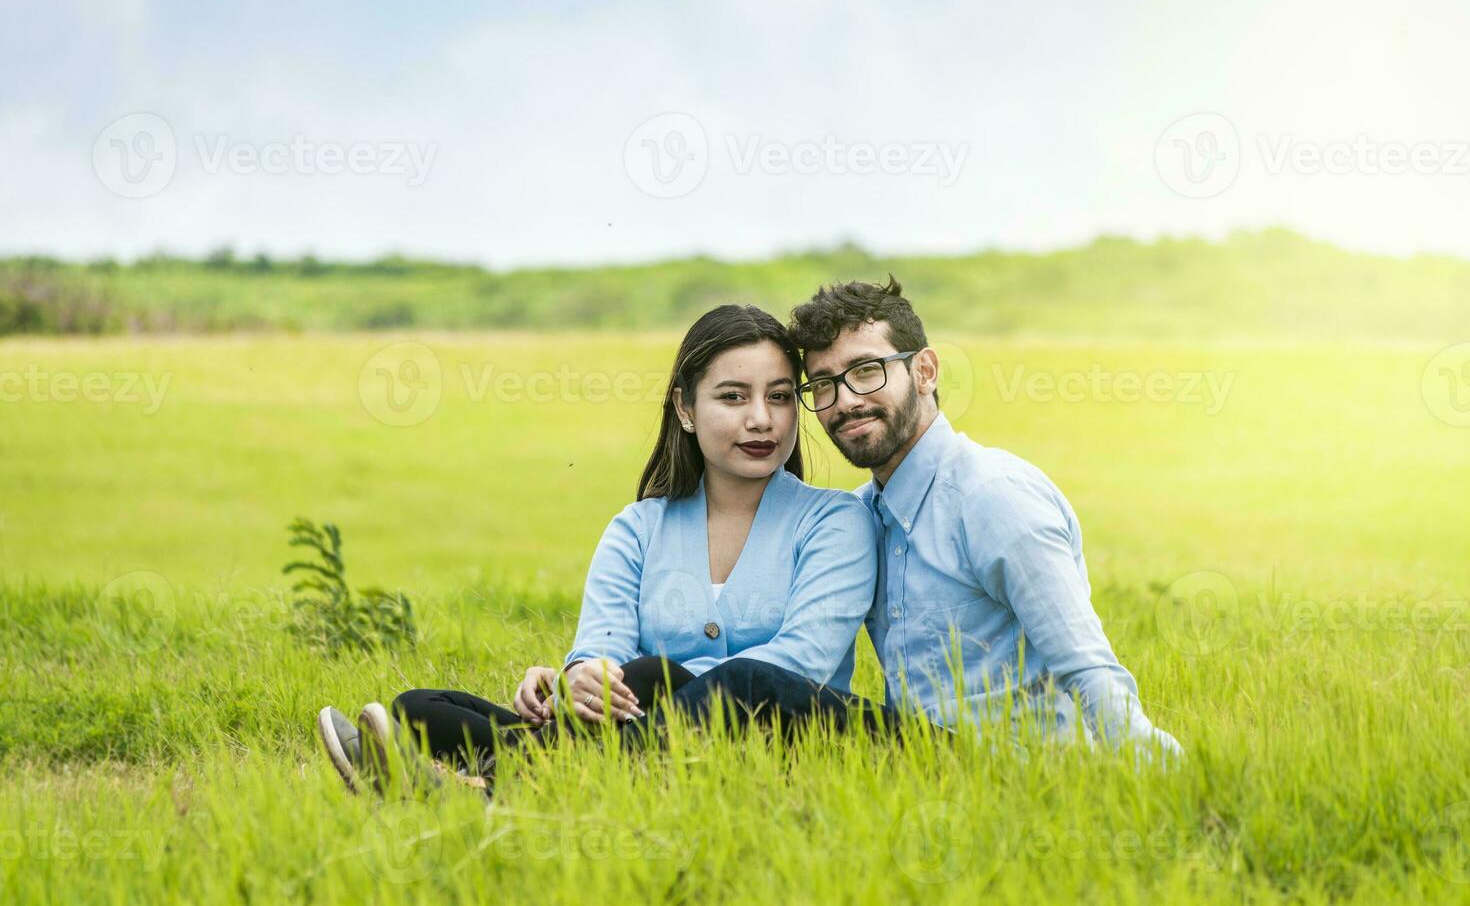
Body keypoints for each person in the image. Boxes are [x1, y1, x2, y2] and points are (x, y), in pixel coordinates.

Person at [313, 304, 879, 794]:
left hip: (772, 740)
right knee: (420, 707)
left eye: (779, 398)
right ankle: (512, 777)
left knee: (651, 675)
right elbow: (600, 645)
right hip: (642, 730)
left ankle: (490, 785)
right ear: (684, 408)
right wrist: (578, 680)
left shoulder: (834, 522)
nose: (761, 419)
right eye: (733, 397)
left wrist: (641, 683)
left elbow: (801, 663)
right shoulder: (637, 528)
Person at [649, 277, 1181, 758]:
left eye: (866, 371)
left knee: (751, 686)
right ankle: (589, 740)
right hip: (917, 761)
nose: (846, 401)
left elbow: (1087, 663)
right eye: (825, 385)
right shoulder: (862, 516)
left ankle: (597, 748)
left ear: (924, 371)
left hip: (1018, 768)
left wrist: (1156, 774)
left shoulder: (990, 497)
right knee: (687, 681)